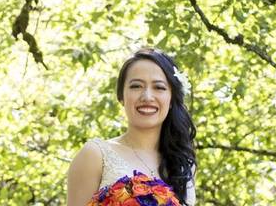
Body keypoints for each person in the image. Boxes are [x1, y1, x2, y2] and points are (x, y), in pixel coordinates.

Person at [67, 48, 197, 206]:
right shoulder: (95, 155)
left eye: (159, 87)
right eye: (136, 86)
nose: (147, 97)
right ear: (121, 96)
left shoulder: (183, 165)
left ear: (171, 99)